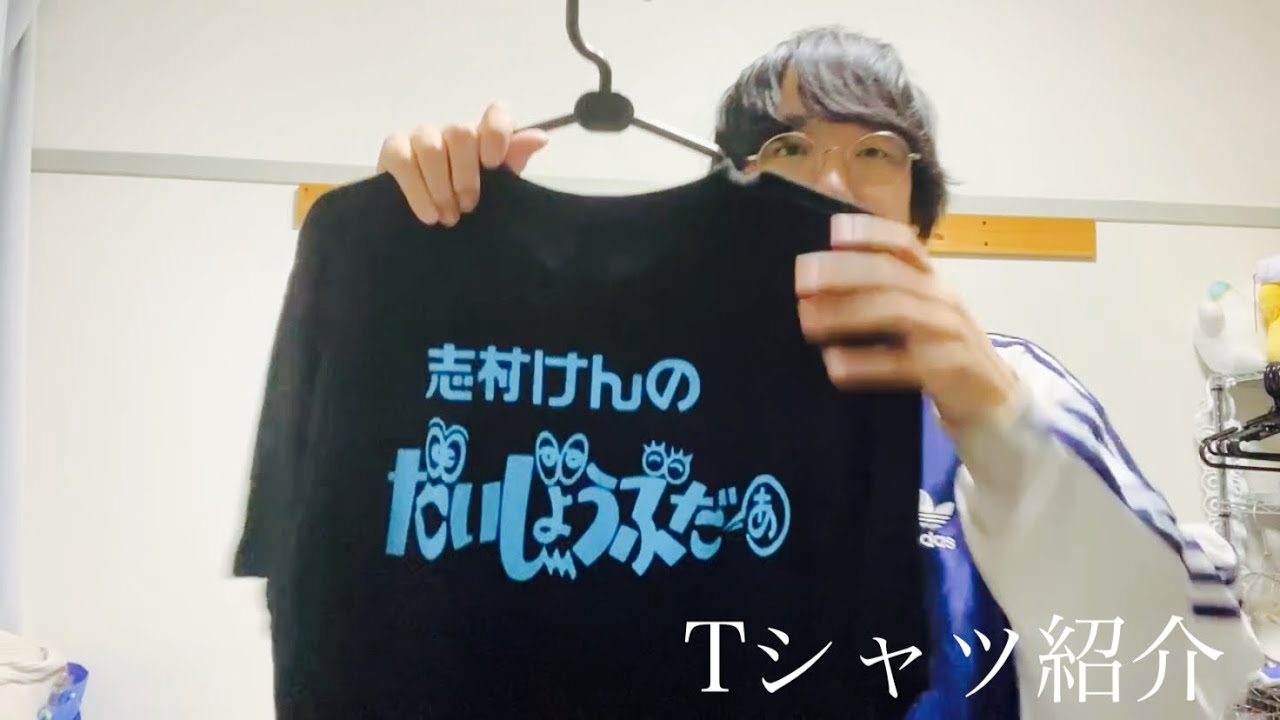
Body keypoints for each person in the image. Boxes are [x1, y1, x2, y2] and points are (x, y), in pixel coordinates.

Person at [369, 26, 1262, 719]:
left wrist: (1002, 424)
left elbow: (1175, 689)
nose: (831, 184)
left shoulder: (1015, 390)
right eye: (789, 148)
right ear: (729, 197)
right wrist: (441, 263)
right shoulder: (645, 397)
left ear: (919, 211)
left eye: (874, 152)